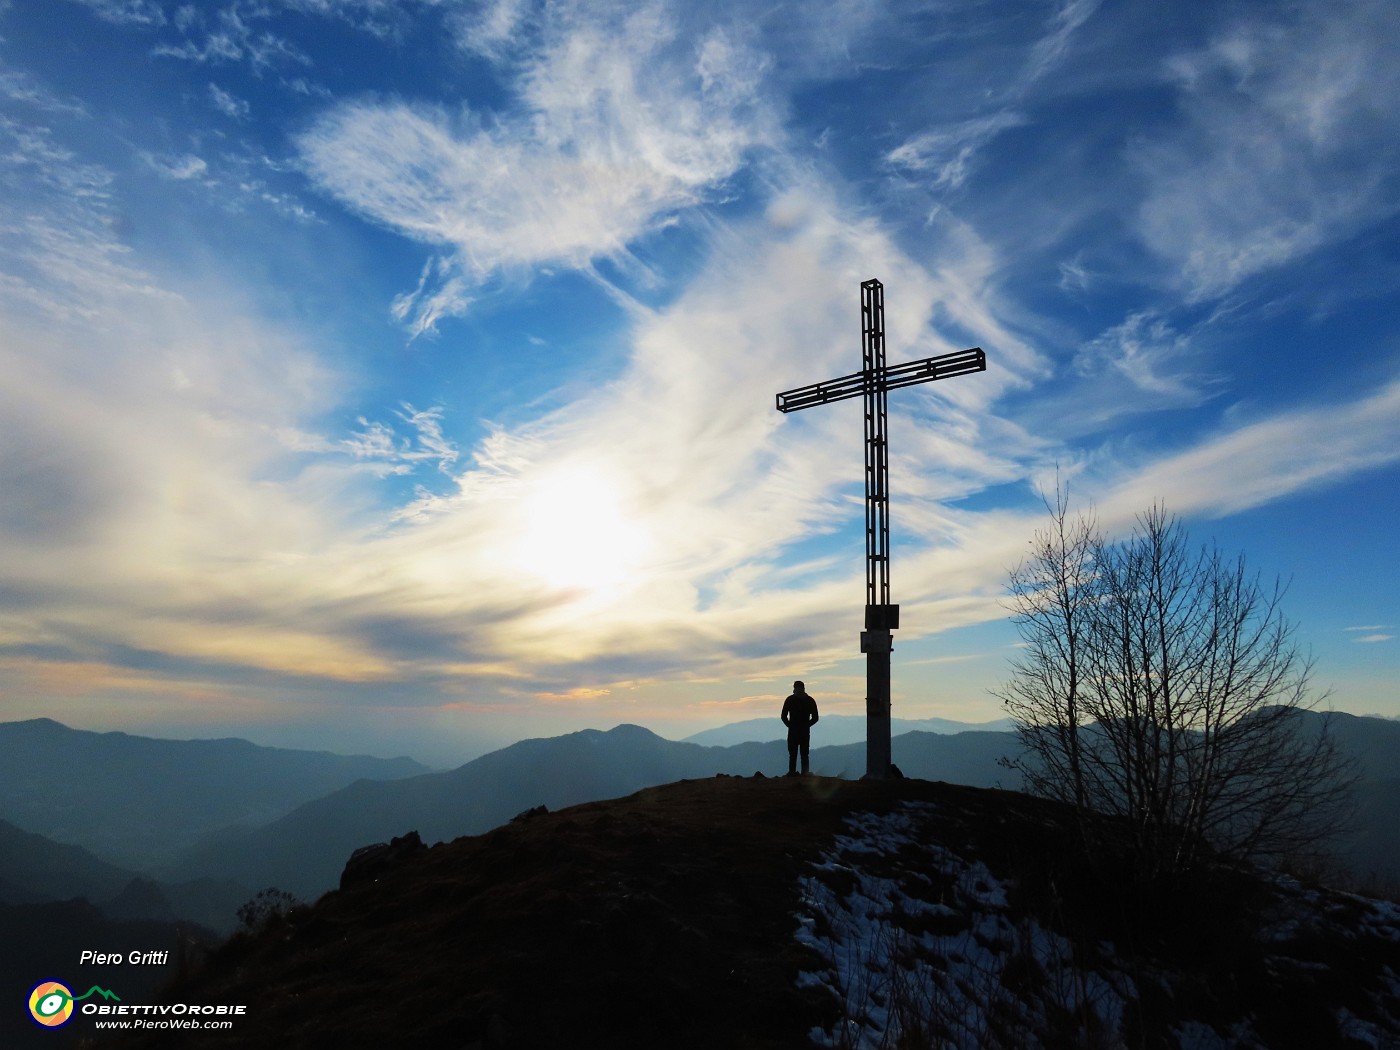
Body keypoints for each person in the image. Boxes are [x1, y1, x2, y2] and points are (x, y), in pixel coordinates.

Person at [780, 680, 819, 776]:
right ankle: (805, 774)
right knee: (804, 754)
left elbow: (783, 716)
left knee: (793, 754)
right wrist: (807, 725)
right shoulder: (810, 700)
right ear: (804, 688)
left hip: (793, 731)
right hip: (805, 731)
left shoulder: (790, 699)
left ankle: (792, 773)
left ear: (794, 688)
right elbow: (815, 718)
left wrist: (790, 725)